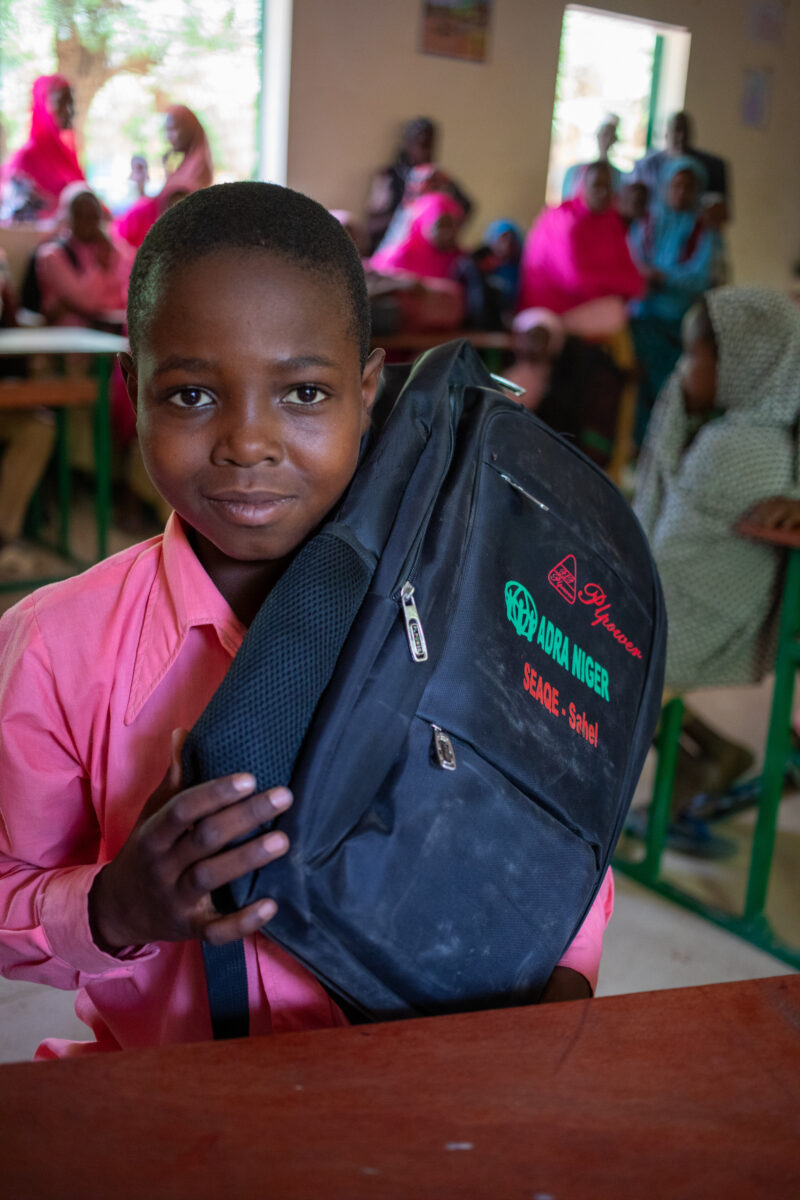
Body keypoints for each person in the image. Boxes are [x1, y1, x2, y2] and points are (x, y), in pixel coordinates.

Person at [0, 181, 613, 1057]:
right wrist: (114, 906)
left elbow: (552, 817)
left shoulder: (467, 606)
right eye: (192, 396)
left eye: (304, 395)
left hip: (426, 1078)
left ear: (368, 389)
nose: (249, 443)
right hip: (173, 1102)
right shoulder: (53, 649)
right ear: (132, 391)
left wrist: (566, 973)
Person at [633, 286, 800, 850]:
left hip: (700, 621)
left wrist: (673, 407)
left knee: (597, 644)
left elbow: (662, 549)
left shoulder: (737, 446)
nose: (685, 368)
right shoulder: (769, 435)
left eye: (695, 354)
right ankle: (709, 755)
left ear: (741, 365)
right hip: (717, 616)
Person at [628, 156, 720, 444]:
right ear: (665, 186)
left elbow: (700, 278)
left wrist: (663, 277)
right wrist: (654, 276)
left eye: (688, 187)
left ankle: (664, 447)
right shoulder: (647, 222)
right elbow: (632, 265)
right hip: (643, 320)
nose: (681, 193)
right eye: (676, 185)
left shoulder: (703, 230)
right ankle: (636, 449)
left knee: (671, 390)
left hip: (681, 325)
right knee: (638, 386)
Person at [517, 161, 643, 336]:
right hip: (546, 313)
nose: (603, 193)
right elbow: (577, 281)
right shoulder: (564, 219)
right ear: (582, 185)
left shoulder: (610, 221)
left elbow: (635, 281)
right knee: (615, 312)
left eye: (608, 187)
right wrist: (617, 282)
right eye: (596, 186)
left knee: (622, 314)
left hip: (587, 306)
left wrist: (613, 282)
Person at [365, 117, 472, 254]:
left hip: (429, 256)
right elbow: (372, 226)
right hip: (393, 252)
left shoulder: (439, 179)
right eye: (421, 143)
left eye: (429, 145)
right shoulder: (389, 177)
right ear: (407, 143)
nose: (425, 151)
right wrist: (409, 211)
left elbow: (467, 207)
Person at [114, 104, 213, 249]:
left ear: (189, 129)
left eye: (174, 129)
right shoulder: (184, 164)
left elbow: (177, 211)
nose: (169, 137)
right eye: (167, 131)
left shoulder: (198, 166)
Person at [367, 191, 468, 331]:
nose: (448, 233)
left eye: (453, 226)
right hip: (396, 342)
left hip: (444, 339)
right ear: (423, 222)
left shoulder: (461, 260)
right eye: (440, 225)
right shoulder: (398, 256)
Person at [35, 182, 130, 329]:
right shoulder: (52, 255)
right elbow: (87, 303)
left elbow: (129, 295)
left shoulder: (115, 250)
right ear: (67, 216)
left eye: (92, 216)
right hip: (72, 337)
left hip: (111, 328)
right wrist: (100, 267)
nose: (86, 222)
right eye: (79, 215)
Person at [1, 74, 85, 221]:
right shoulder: (25, 159)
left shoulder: (66, 158)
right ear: (42, 103)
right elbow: (15, 218)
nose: (69, 111)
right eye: (62, 102)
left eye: (71, 103)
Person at [632, 111, 731, 221]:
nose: (681, 136)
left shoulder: (712, 167)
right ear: (666, 134)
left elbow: (722, 213)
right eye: (676, 130)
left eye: (686, 131)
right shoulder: (647, 166)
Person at [561, 113, 623, 202]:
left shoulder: (620, 176)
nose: (607, 140)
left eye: (611, 135)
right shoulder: (574, 171)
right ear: (598, 135)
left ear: (615, 139)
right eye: (605, 134)